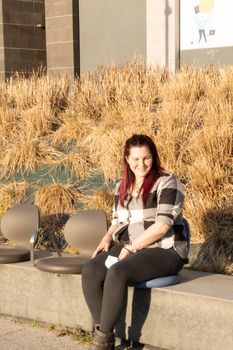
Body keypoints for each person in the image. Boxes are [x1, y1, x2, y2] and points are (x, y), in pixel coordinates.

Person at [82, 134, 188, 350]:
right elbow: (118, 220)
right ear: (127, 160)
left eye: (147, 158)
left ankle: (101, 345)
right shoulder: (122, 186)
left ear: (154, 157)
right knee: (91, 269)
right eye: (136, 159)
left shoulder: (167, 181)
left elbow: (162, 226)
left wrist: (130, 247)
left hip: (165, 249)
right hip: (133, 245)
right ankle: (104, 334)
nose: (142, 164)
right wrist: (106, 238)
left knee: (118, 271)